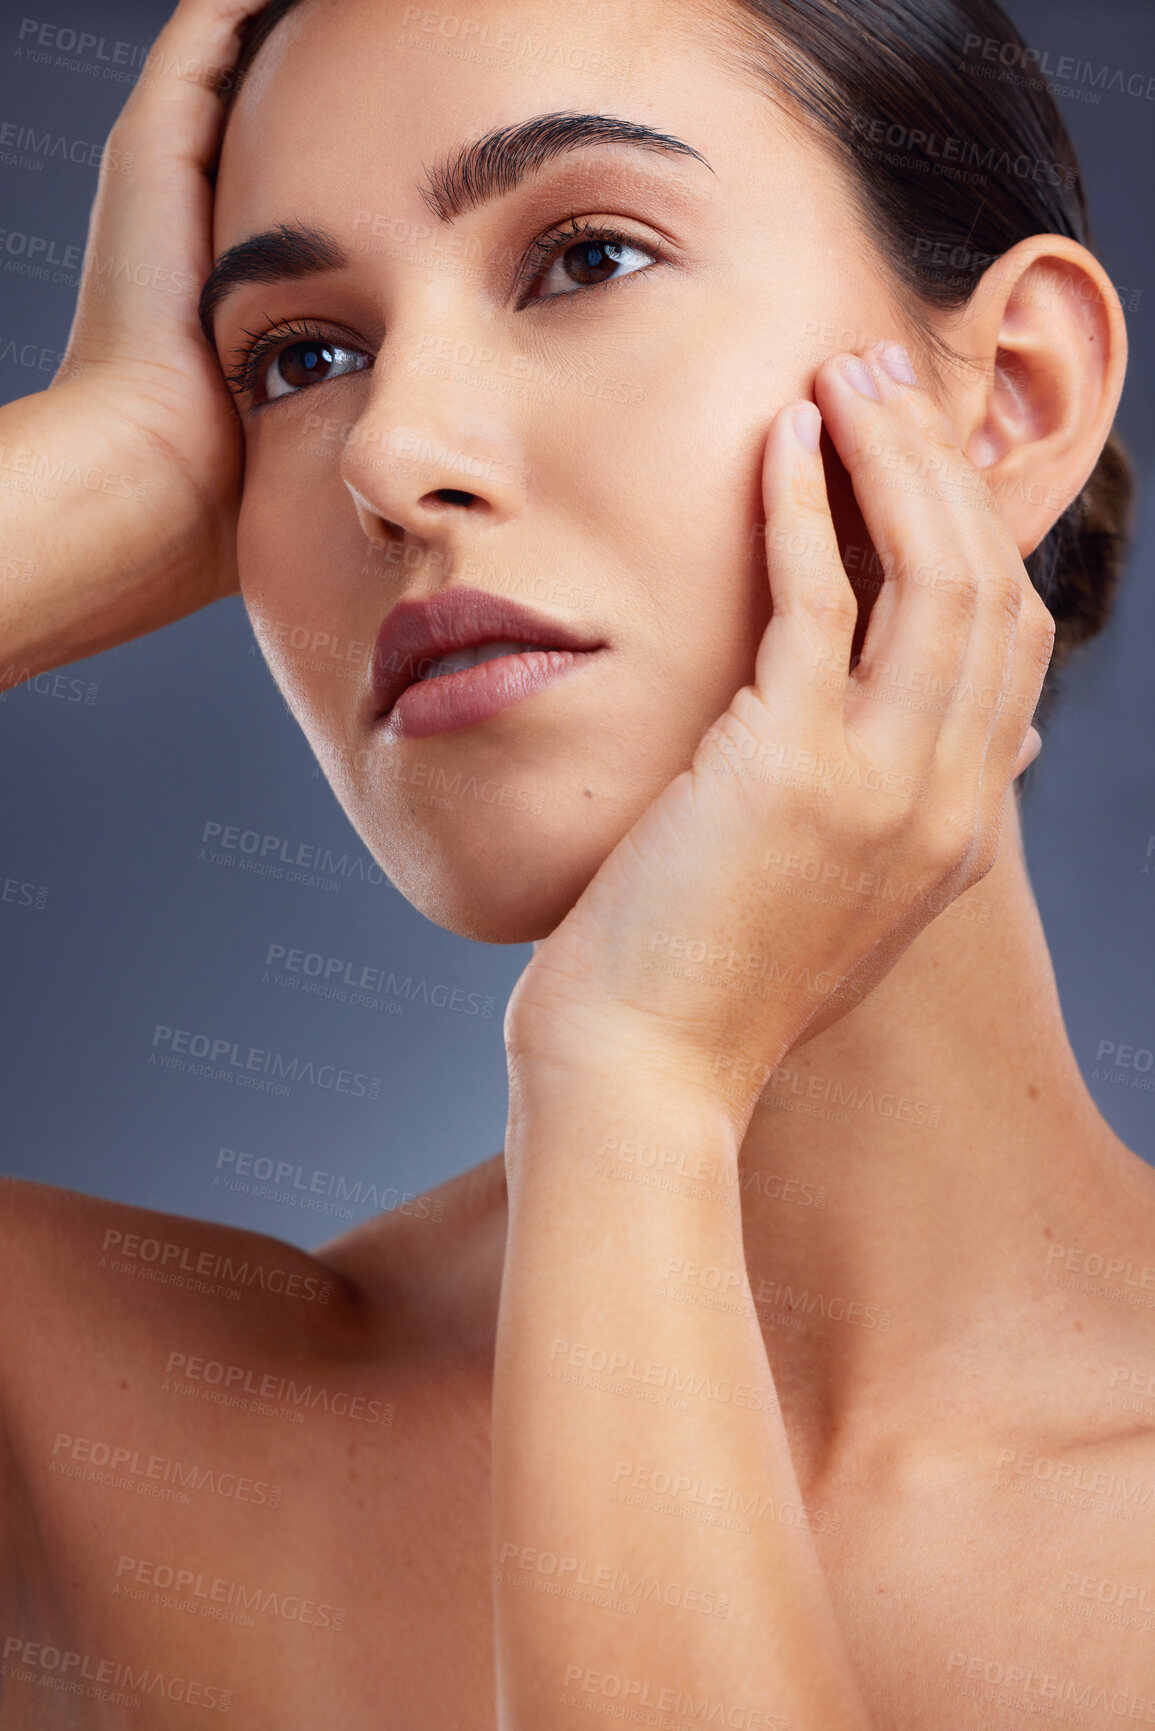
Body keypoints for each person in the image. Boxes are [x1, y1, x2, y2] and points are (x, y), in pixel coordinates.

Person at [0, 0, 1147, 1723]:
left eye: (586, 256)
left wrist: (641, 1088)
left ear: (1011, 404)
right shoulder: (97, 1436)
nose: (390, 456)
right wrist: (114, 459)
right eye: (298, 363)